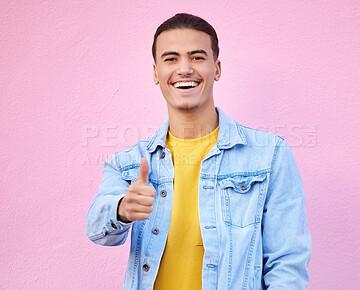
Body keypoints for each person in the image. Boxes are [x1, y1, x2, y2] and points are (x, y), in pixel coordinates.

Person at [86, 13, 311, 290]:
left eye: (197, 57)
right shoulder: (130, 163)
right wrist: (122, 209)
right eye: (171, 59)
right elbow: (96, 230)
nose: (184, 69)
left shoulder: (270, 155)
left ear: (216, 68)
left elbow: (287, 264)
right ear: (156, 73)